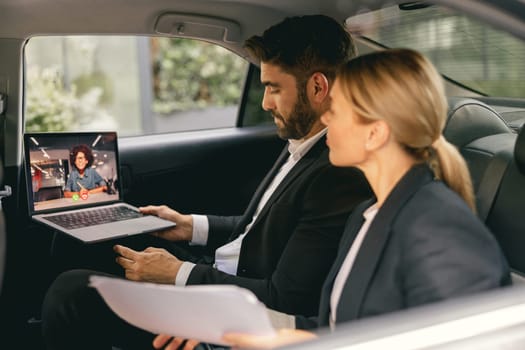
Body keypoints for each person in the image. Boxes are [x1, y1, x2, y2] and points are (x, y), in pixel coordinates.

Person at [41, 15, 372, 350]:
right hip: (214, 270)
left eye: (273, 88)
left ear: (318, 87)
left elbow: (282, 300)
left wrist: (178, 274)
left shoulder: (337, 173)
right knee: (77, 240)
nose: (264, 103)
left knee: (70, 294)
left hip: (230, 311)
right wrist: (189, 226)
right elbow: (258, 229)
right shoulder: (301, 140)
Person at [153, 48, 512, 350]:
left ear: (375, 133)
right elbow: (341, 328)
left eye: (336, 110)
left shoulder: (440, 234)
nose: (324, 117)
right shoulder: (367, 215)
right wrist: (218, 322)